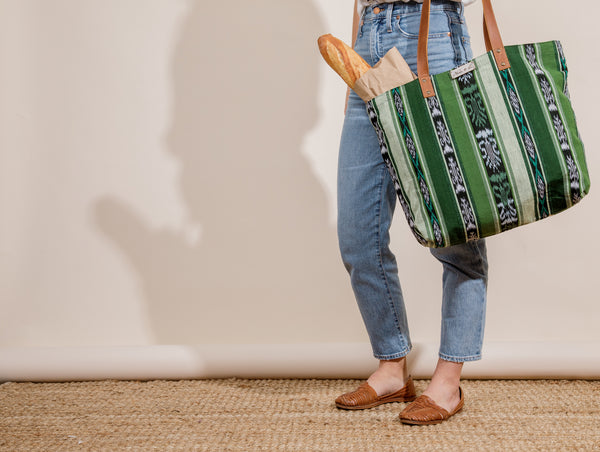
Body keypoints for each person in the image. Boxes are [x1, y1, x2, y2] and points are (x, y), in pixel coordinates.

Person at [335, 0, 488, 425]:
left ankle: (448, 379)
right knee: (357, 233)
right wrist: (358, 48)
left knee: (457, 230)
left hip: (434, 31)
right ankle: (391, 368)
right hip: (368, 39)